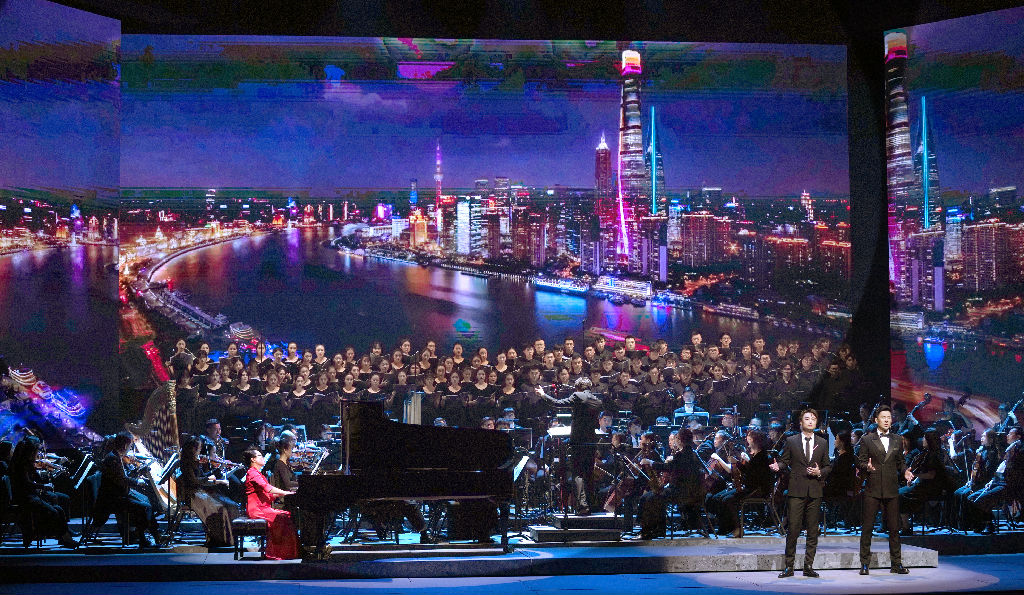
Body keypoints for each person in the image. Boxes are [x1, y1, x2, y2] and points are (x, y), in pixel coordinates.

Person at [771, 408, 831, 578]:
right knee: (793, 529)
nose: (810, 421)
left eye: (813, 419)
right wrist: (778, 466)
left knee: (812, 530)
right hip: (796, 490)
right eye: (807, 418)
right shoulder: (791, 441)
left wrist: (819, 472)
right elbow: (784, 461)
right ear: (800, 422)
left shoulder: (823, 442)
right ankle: (789, 566)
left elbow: (828, 466)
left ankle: (808, 566)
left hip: (815, 490)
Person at [856, 404, 914, 575]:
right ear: (876, 420)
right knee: (867, 527)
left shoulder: (897, 439)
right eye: (883, 417)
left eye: (889, 417)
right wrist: (866, 466)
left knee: (894, 528)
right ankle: (864, 564)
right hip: (873, 488)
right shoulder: (867, 439)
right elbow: (860, 461)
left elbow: (900, 462)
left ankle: (896, 564)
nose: (887, 420)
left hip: (891, 488)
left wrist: (905, 471)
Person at [540, 377, 604, 514]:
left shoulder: (577, 395)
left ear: (578, 387)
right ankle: (591, 504)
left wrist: (543, 395)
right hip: (591, 442)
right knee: (589, 474)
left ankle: (582, 505)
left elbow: (557, 404)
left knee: (577, 473)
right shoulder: (597, 400)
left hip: (578, 442)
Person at [94, 432, 163, 548]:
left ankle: (151, 533)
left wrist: (136, 474)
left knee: (145, 500)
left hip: (118, 494)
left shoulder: (116, 456)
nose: (131, 448)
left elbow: (121, 478)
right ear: (125, 445)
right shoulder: (112, 459)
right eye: (130, 445)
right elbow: (121, 480)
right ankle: (142, 537)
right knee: (144, 506)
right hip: (113, 499)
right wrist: (137, 481)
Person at [8, 436, 77, 548]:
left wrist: (49, 472)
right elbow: (27, 484)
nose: (38, 454)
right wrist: (44, 486)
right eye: (36, 451)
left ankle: (64, 537)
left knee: (59, 509)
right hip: (25, 497)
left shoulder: (28, 463)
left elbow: (37, 479)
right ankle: (62, 537)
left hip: (32, 495)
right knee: (54, 511)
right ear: (31, 452)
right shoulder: (21, 465)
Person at [177, 436, 238, 547]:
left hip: (199, 492)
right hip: (192, 494)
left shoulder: (195, 460)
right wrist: (209, 479)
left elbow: (202, 476)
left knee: (227, 506)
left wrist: (217, 470)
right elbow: (194, 481)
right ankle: (217, 538)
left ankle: (227, 538)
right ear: (193, 448)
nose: (200, 450)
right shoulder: (186, 462)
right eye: (199, 448)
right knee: (220, 508)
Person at [242, 446, 299, 560]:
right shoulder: (252, 473)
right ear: (253, 459)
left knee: (285, 516)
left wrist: (286, 493)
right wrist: (285, 492)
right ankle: (279, 552)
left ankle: (288, 552)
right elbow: (268, 489)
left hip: (263, 507)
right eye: (260, 456)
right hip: (257, 509)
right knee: (282, 517)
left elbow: (268, 494)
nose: (263, 458)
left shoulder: (258, 474)